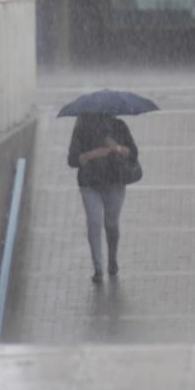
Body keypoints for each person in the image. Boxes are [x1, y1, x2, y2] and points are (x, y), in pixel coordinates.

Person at [68, 113, 138, 284]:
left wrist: (117, 148)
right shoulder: (81, 129)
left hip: (115, 182)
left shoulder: (119, 126)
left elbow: (133, 153)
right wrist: (93, 154)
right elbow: (72, 159)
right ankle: (98, 269)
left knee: (111, 224)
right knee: (94, 222)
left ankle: (112, 258)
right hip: (90, 184)